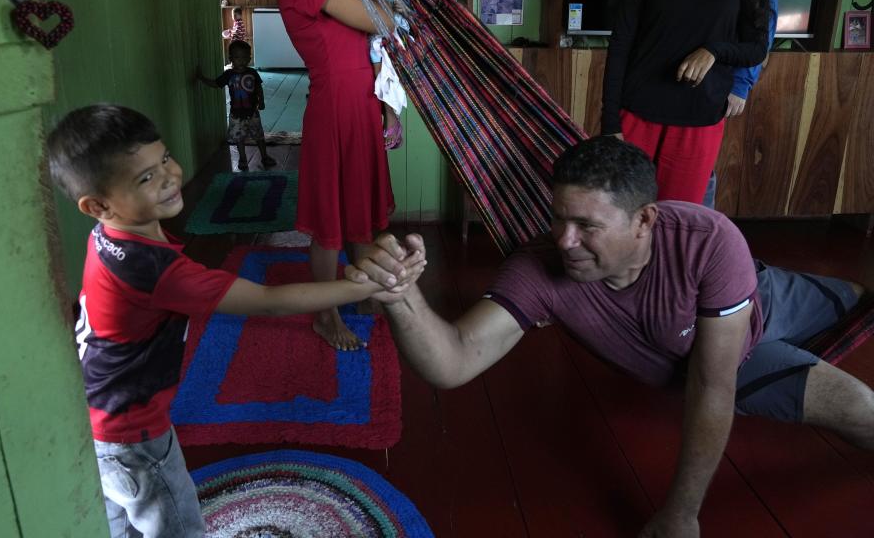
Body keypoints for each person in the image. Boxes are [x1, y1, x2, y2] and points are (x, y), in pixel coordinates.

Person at [350, 136, 874, 538]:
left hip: (756, 293)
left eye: (587, 225)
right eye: (558, 219)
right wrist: (403, 298)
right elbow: (453, 362)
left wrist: (679, 516)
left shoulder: (707, 239)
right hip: (740, 356)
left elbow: (710, 391)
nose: (566, 241)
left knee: (859, 300)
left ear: (645, 219)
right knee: (863, 412)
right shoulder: (541, 270)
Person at [45, 104, 422, 538]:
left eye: (164, 158)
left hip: (96, 419)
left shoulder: (105, 238)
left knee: (114, 519)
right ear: (98, 205)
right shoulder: (154, 269)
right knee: (177, 525)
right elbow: (268, 301)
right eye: (145, 178)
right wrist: (364, 287)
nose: (168, 176)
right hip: (135, 433)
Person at [274, 0, 396, 350]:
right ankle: (325, 315)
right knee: (331, 219)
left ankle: (362, 295)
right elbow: (380, 18)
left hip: (360, 102)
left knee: (359, 206)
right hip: (335, 108)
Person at [602, 0, 772, 204]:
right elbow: (620, 46)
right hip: (637, 113)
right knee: (620, 216)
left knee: (676, 220)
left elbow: (756, 49)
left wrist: (714, 50)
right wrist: (611, 124)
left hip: (699, 119)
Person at [703, 0, 779, 208]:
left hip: (718, 71)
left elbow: (763, 2)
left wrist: (742, 81)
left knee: (699, 172)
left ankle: (695, 249)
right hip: (668, 70)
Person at [360, 0, 412, 150]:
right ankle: (390, 116)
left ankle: (391, 117)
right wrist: (388, 2)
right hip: (378, 33)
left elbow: (414, 13)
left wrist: (405, 8)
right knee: (376, 53)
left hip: (399, 36)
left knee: (384, 59)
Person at [196, 40, 276, 171]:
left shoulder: (252, 73)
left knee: (259, 136)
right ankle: (243, 159)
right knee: (239, 138)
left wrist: (261, 101)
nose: (241, 61)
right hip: (236, 114)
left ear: (250, 58)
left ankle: (264, 156)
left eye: (245, 57)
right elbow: (216, 84)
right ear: (231, 58)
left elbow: (258, 87)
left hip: (252, 113)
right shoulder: (229, 75)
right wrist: (202, 78)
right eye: (238, 58)